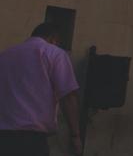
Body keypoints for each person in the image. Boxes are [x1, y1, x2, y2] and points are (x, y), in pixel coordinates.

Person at [0, 23, 82, 155]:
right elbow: (68, 97)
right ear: (53, 38)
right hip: (32, 140)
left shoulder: (5, 55)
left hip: (3, 138)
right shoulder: (55, 54)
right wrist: (75, 135)